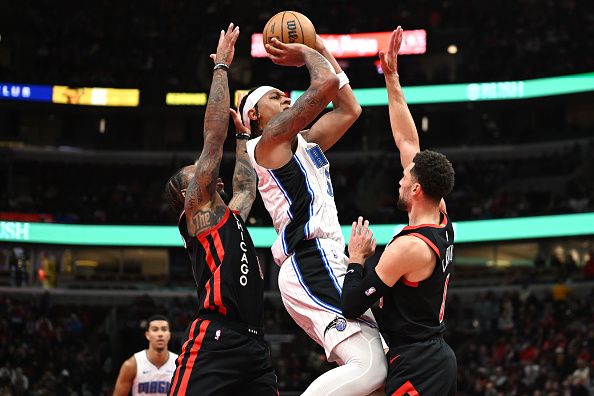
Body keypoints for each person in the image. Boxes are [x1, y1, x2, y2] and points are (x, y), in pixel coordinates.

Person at [239, 35, 386, 395]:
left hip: (327, 258)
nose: (285, 96)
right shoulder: (267, 144)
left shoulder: (306, 141)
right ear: (254, 116)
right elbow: (324, 85)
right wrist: (306, 51)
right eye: (275, 96)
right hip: (309, 260)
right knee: (369, 365)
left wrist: (320, 44)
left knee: (383, 363)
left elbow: (350, 109)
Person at [341, 26, 457, 395]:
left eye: (406, 177)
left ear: (417, 189)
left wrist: (356, 259)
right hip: (432, 356)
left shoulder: (408, 247)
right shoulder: (440, 215)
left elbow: (352, 304)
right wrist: (391, 76)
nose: (400, 179)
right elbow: (407, 140)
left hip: (418, 362)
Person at [164, 23, 277, 395]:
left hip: (254, 342)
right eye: (195, 173)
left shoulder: (228, 218)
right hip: (215, 336)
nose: (205, 172)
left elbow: (247, 186)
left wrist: (244, 137)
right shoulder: (199, 212)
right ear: (187, 194)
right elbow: (213, 140)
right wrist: (222, 67)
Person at [113, 315, 178, 396]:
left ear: (169, 335)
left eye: (164, 329)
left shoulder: (179, 364)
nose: (160, 334)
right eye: (155, 330)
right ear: (147, 335)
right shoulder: (132, 365)